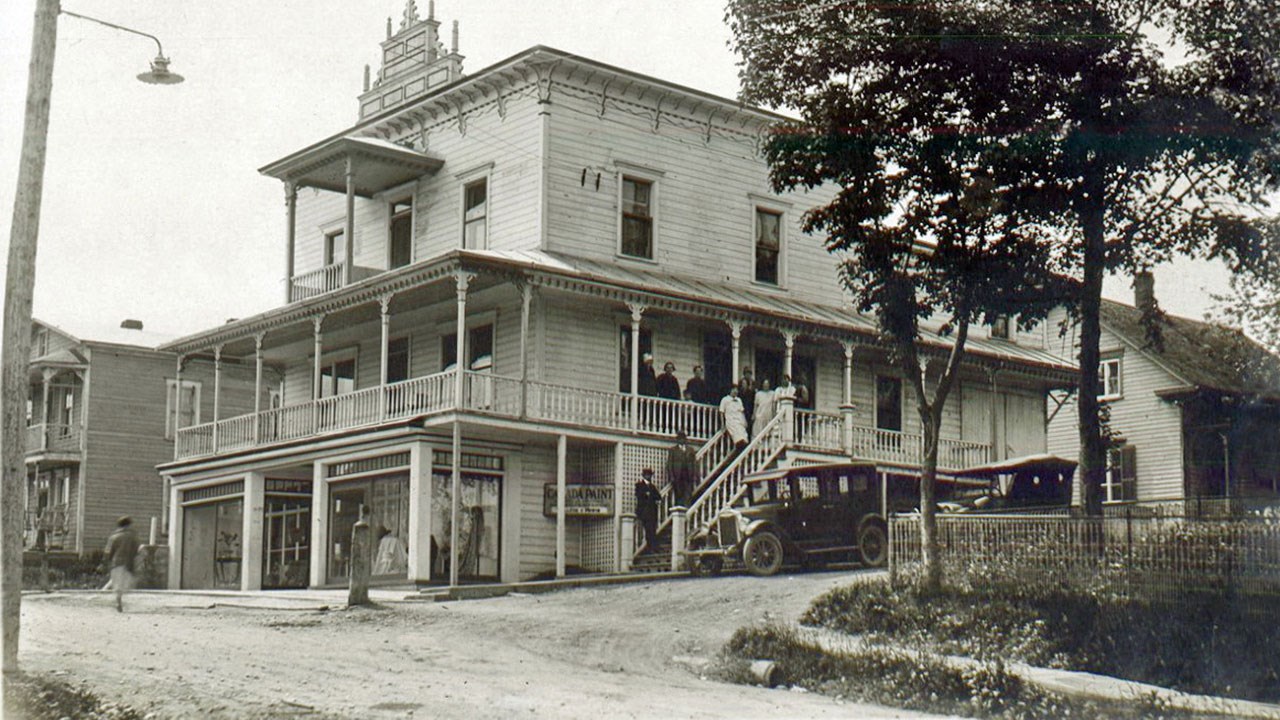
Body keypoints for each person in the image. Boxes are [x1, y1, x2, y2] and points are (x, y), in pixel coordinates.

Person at [103, 516, 139, 612]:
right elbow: (136, 550)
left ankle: (118, 600)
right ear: (128, 525)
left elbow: (108, 551)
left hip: (117, 562)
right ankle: (118, 600)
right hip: (129, 563)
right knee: (126, 582)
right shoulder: (133, 537)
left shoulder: (114, 537)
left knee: (117, 583)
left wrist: (107, 561)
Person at [665, 430, 698, 508]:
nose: (681, 440)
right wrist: (671, 476)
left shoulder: (690, 450)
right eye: (680, 438)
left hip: (688, 476)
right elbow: (669, 464)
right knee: (679, 494)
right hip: (678, 476)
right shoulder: (673, 450)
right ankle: (679, 509)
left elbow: (694, 464)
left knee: (688, 493)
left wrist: (695, 475)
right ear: (677, 440)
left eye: (683, 438)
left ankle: (687, 508)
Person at [634, 468, 661, 553]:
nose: (648, 477)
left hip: (652, 512)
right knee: (648, 530)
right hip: (644, 512)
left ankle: (653, 547)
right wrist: (646, 494)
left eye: (650, 475)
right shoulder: (639, 485)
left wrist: (651, 496)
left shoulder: (652, 487)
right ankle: (650, 547)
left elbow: (658, 497)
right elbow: (638, 495)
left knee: (653, 530)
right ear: (644, 476)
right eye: (647, 475)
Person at [719, 385, 749, 450]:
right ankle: (739, 447)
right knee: (737, 436)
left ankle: (744, 447)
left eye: (736, 390)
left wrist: (745, 421)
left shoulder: (739, 400)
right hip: (731, 421)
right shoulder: (725, 399)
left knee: (743, 435)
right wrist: (722, 424)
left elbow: (742, 411)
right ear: (730, 390)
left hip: (739, 420)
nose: (735, 391)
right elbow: (721, 412)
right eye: (734, 390)